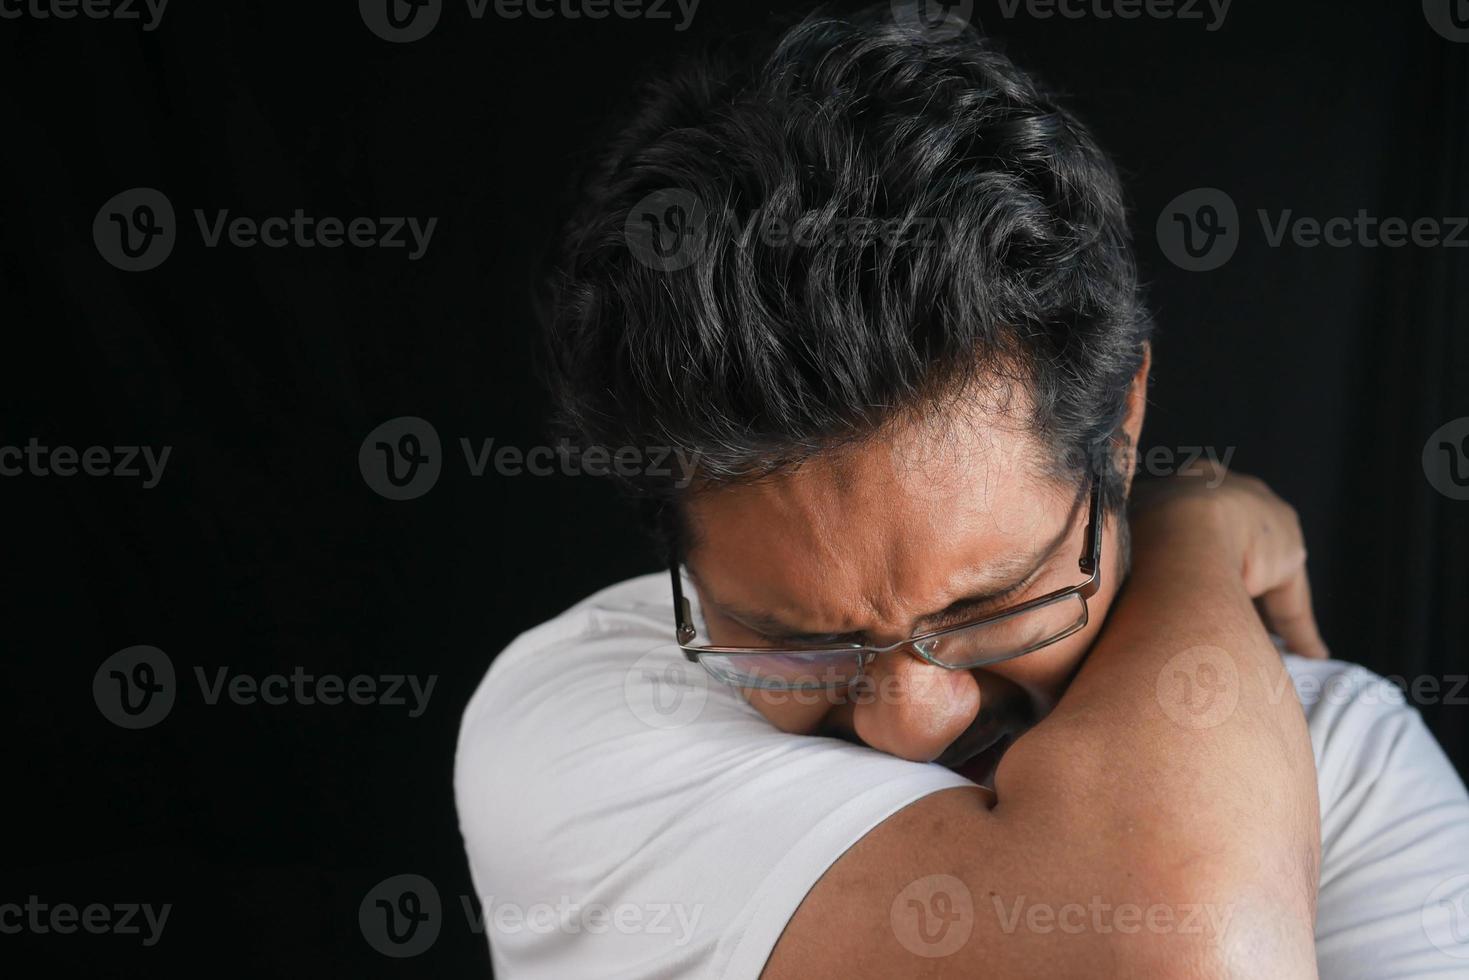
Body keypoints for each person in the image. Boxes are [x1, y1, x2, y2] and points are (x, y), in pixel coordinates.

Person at [454, 5, 1469, 976]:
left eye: (988, 602)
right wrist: (1189, 532)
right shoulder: (578, 707)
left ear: (1116, 432)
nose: (912, 721)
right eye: (802, 640)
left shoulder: (1351, 754)